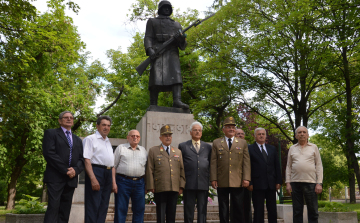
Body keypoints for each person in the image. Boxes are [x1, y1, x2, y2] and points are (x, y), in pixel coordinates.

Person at [144, 0, 189, 109]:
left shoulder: (176, 24)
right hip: (157, 51)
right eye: (164, 7)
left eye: (169, 7)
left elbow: (182, 44)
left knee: (176, 74)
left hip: (172, 52)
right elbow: (148, 37)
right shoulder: (152, 21)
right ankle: (153, 103)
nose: (167, 9)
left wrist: (182, 39)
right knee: (155, 76)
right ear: (160, 9)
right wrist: (150, 50)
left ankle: (177, 100)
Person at [42, 111, 84, 223]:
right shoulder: (51, 133)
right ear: (60, 120)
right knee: (53, 207)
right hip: (55, 177)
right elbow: (49, 154)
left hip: (71, 179)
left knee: (65, 209)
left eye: (71, 117)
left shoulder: (78, 140)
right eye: (66, 117)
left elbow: (81, 159)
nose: (69, 119)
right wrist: (66, 170)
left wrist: (75, 170)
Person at [210, 117, 251, 223]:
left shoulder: (242, 143)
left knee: (237, 207)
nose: (231, 129)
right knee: (223, 208)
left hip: (238, 180)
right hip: (222, 180)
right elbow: (213, 162)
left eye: (233, 127)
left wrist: (246, 178)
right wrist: (213, 178)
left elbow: (246, 162)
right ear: (223, 129)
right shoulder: (216, 143)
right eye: (228, 127)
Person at [146, 125, 186, 223]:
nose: (168, 137)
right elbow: (149, 169)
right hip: (160, 187)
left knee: (171, 214)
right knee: (160, 214)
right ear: (160, 138)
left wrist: (181, 186)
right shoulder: (153, 150)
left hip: (174, 188)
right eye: (165, 135)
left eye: (169, 135)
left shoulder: (177, 151)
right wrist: (151, 186)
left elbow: (182, 170)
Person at [286, 126, 323, 223]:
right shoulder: (292, 148)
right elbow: (288, 166)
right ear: (296, 136)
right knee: (297, 211)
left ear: (308, 135)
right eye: (299, 132)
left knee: (313, 211)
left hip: (311, 183)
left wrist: (319, 183)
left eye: (304, 132)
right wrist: (288, 183)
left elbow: (319, 165)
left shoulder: (314, 147)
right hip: (295, 183)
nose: (302, 134)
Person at [82, 116, 114, 223]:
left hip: (108, 173)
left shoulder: (107, 141)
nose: (106, 127)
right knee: (93, 205)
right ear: (97, 126)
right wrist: (92, 178)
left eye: (108, 125)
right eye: (103, 125)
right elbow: (87, 160)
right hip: (96, 171)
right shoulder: (90, 139)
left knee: (104, 205)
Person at [178, 122, 212, 223]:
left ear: (201, 133)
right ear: (190, 132)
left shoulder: (208, 147)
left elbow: (211, 164)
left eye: (199, 130)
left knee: (202, 211)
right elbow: (180, 165)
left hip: (203, 183)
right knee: (188, 210)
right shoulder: (183, 146)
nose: (197, 132)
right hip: (189, 183)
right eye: (195, 130)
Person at [247, 128, 282, 223]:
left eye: (263, 134)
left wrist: (279, 181)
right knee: (258, 210)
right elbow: (248, 166)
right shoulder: (249, 149)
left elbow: (277, 165)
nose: (261, 136)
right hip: (257, 184)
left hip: (271, 184)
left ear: (265, 136)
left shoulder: (272, 149)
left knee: (272, 210)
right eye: (259, 134)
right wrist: (250, 182)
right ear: (255, 136)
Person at [113, 130, 148, 223]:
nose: (135, 137)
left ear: (139, 138)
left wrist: (147, 185)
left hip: (140, 183)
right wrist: (113, 183)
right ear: (128, 137)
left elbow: (146, 169)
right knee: (121, 210)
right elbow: (113, 167)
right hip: (123, 182)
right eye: (132, 136)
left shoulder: (143, 150)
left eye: (137, 136)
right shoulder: (121, 148)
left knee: (139, 210)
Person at [235, 128, 252, 223]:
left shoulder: (250, 148)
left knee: (247, 206)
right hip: (235, 181)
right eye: (238, 134)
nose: (240, 135)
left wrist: (249, 180)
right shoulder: (231, 147)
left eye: (242, 134)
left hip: (247, 181)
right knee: (236, 205)